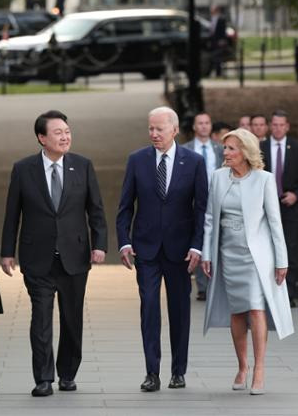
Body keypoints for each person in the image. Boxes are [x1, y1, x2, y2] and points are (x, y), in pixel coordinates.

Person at [1, 110, 107, 397]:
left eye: (67, 132)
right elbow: (13, 214)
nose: (65, 137)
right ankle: (44, 378)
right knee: (41, 319)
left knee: (72, 319)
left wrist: (100, 244)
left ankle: (68, 373)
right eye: (58, 132)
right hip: (38, 257)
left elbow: (95, 209)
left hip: (75, 256)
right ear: (42, 138)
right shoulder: (24, 169)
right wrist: (7, 252)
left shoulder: (82, 166)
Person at [116, 106, 208, 392]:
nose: (154, 134)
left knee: (180, 310)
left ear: (175, 129)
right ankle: (151, 372)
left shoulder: (193, 162)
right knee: (149, 309)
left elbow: (201, 209)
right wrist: (125, 241)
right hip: (146, 249)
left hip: (181, 251)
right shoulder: (137, 160)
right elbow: (125, 206)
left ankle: (178, 371)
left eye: (159, 129)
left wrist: (197, 246)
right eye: (150, 128)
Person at [201, 128, 294, 395]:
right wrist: (207, 253)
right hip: (227, 253)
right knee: (237, 311)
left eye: (231, 148)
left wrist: (281, 260)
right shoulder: (218, 177)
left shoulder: (264, 179)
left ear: (246, 152)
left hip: (255, 256)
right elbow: (209, 218)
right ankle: (242, 367)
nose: (225, 153)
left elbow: (274, 222)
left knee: (256, 308)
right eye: (225, 148)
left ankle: (260, 368)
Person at [260, 110, 298, 306]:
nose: (278, 128)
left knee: (290, 248)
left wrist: (297, 195)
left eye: (282, 125)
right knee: (266, 248)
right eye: (275, 124)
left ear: (287, 126)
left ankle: (288, 292)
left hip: (290, 205)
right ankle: (267, 291)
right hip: (265, 207)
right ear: (271, 126)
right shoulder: (261, 147)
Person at [181, 112, 223, 301]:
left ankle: (218, 281)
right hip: (193, 200)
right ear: (194, 127)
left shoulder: (221, 149)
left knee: (218, 238)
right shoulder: (184, 149)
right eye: (200, 123)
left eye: (207, 123)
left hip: (218, 198)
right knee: (197, 237)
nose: (204, 126)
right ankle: (202, 286)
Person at [209, 5, 228, 77]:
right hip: (213, 41)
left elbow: (223, 31)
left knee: (218, 57)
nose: (211, 11)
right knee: (214, 57)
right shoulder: (211, 19)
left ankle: (218, 73)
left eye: (213, 10)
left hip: (219, 41)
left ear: (217, 10)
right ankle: (214, 72)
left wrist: (222, 40)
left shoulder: (221, 19)